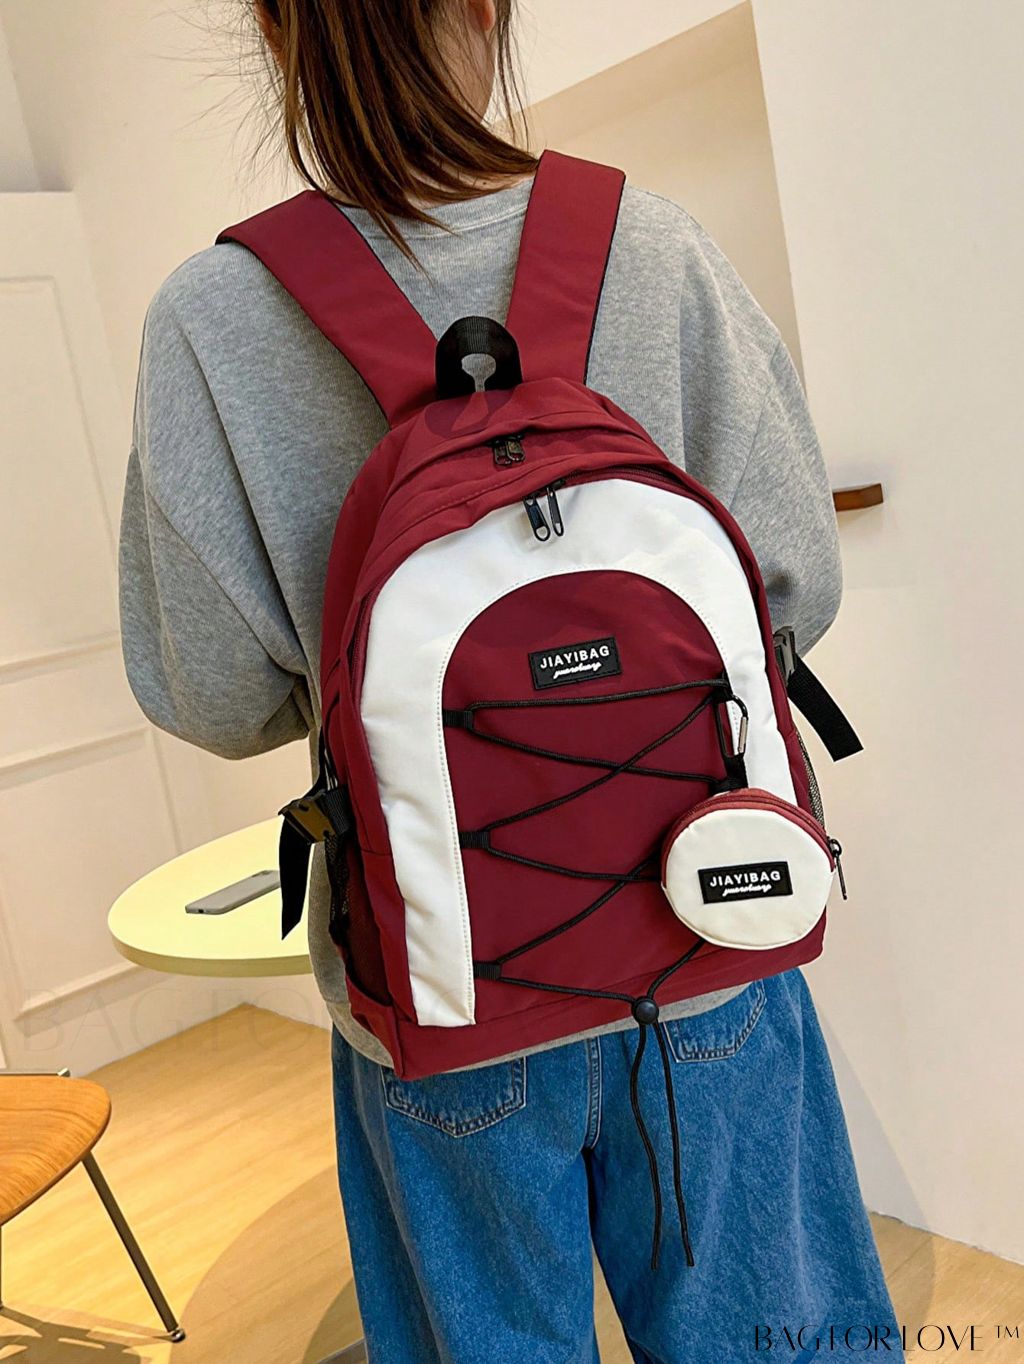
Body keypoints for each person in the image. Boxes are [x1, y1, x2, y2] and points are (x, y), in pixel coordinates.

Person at [118, 2, 903, 1360]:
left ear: (271, 28)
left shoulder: (212, 318)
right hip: (709, 935)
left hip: (440, 990)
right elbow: (792, 588)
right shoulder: (649, 245)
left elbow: (212, 696)